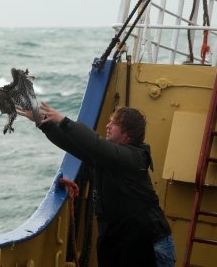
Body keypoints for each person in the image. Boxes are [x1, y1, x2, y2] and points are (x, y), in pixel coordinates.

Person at [18, 102, 175, 267]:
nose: (108, 126)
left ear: (128, 134)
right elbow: (71, 143)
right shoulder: (106, 158)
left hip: (150, 246)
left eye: (114, 123)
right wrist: (42, 122)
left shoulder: (134, 159)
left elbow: (95, 144)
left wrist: (63, 121)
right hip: (121, 243)